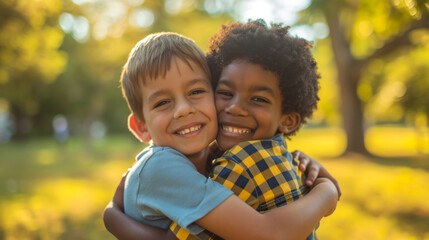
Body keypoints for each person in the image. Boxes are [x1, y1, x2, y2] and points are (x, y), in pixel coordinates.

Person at [105, 29, 338, 240]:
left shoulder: (218, 158)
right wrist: (327, 192)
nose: (184, 109)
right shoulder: (162, 167)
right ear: (141, 127)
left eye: (196, 91)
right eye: (163, 102)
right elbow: (269, 234)